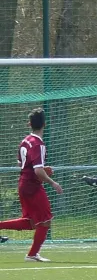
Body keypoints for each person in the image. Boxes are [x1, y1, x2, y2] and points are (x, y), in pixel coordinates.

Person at [0, 107, 63, 262]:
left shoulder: (25, 141)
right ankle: (32, 254)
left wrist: (41, 169)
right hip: (32, 186)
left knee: (31, 222)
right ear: (45, 124)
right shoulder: (38, 144)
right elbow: (37, 171)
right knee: (45, 220)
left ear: (29, 124)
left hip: (23, 184)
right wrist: (52, 182)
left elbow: (21, 163)